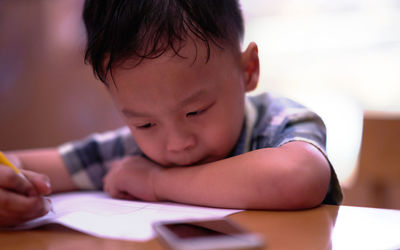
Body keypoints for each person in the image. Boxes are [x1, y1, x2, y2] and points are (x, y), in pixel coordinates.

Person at [0, 0, 342, 227]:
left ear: (247, 70)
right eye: (144, 122)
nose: (177, 143)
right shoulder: (135, 151)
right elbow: (21, 165)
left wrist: (155, 181)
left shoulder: (278, 123)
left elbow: (301, 176)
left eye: (195, 111)